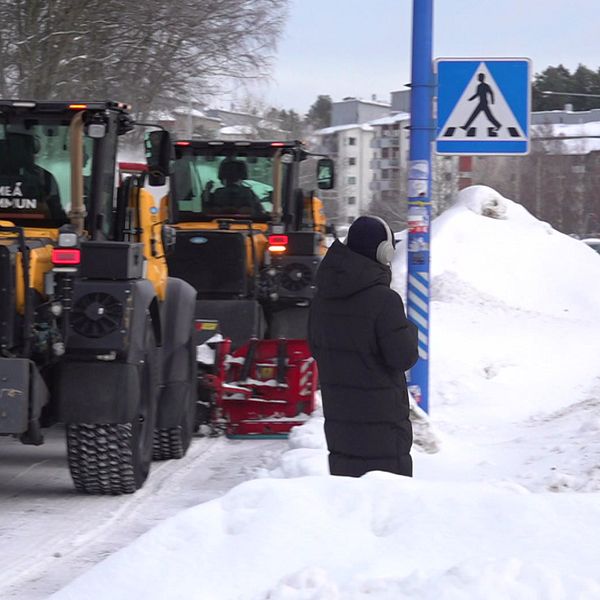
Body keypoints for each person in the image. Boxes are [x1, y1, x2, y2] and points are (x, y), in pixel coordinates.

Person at [308, 215, 419, 477]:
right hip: (383, 429)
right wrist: (409, 330)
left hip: (340, 428)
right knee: (388, 506)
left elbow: (315, 348)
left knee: (350, 504)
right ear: (384, 253)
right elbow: (403, 357)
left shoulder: (322, 299)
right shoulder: (385, 301)